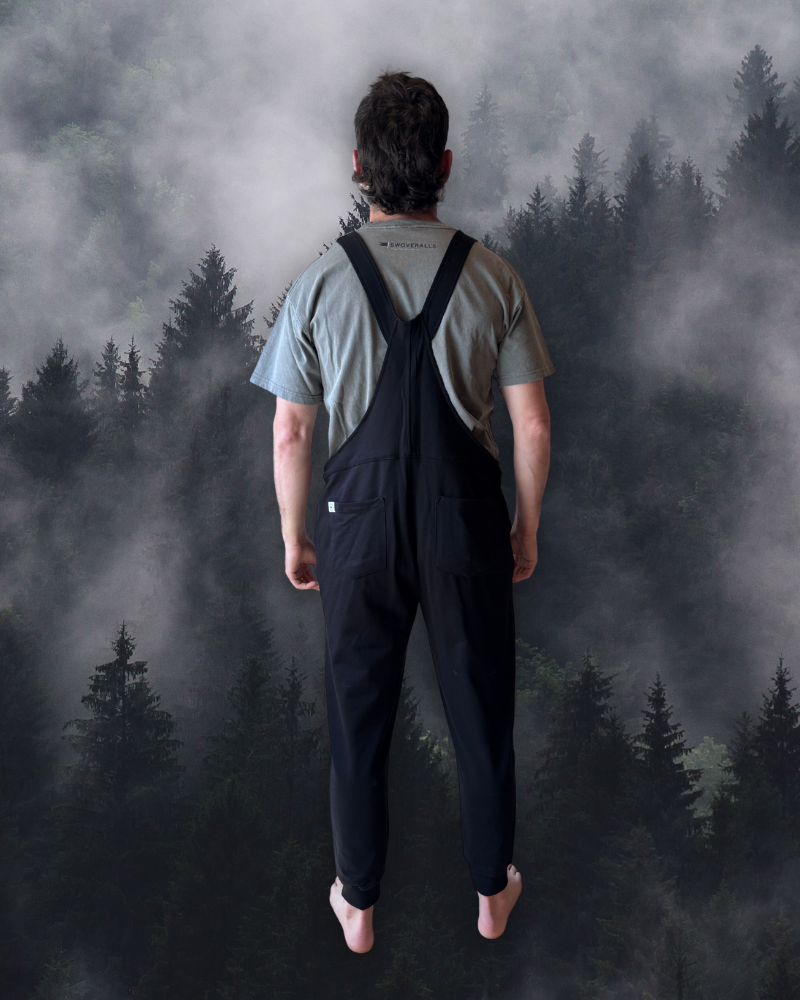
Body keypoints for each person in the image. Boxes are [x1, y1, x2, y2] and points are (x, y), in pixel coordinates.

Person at [249, 71, 553, 953]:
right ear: (445, 166)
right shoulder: (495, 277)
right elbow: (532, 422)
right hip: (466, 522)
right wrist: (526, 525)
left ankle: (358, 903)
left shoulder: (317, 284)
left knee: (359, 717)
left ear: (358, 167)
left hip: (357, 522)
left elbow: (291, 431)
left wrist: (295, 534)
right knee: (481, 712)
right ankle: (491, 891)